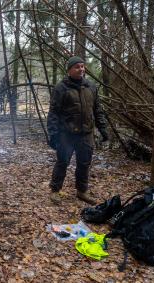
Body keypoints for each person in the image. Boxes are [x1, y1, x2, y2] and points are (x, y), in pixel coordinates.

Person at [47, 56, 108, 205]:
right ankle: (55, 191)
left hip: (86, 134)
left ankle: (82, 191)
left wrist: (103, 129)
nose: (81, 69)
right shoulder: (61, 88)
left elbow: (97, 110)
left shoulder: (91, 87)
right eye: (77, 67)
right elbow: (53, 112)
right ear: (69, 70)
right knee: (62, 162)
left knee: (84, 163)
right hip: (66, 134)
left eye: (82, 66)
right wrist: (53, 134)